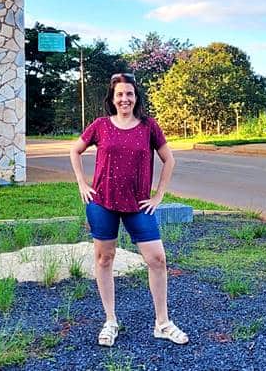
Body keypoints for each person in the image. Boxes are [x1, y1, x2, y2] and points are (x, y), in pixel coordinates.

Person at [69, 73, 189, 347]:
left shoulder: (149, 127)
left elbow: (169, 160)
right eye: (120, 94)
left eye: (130, 94)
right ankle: (110, 320)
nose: (125, 99)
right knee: (104, 259)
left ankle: (162, 323)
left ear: (136, 98)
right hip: (103, 203)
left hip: (138, 205)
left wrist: (158, 195)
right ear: (112, 99)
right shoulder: (100, 125)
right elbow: (75, 151)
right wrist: (81, 184)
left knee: (157, 259)